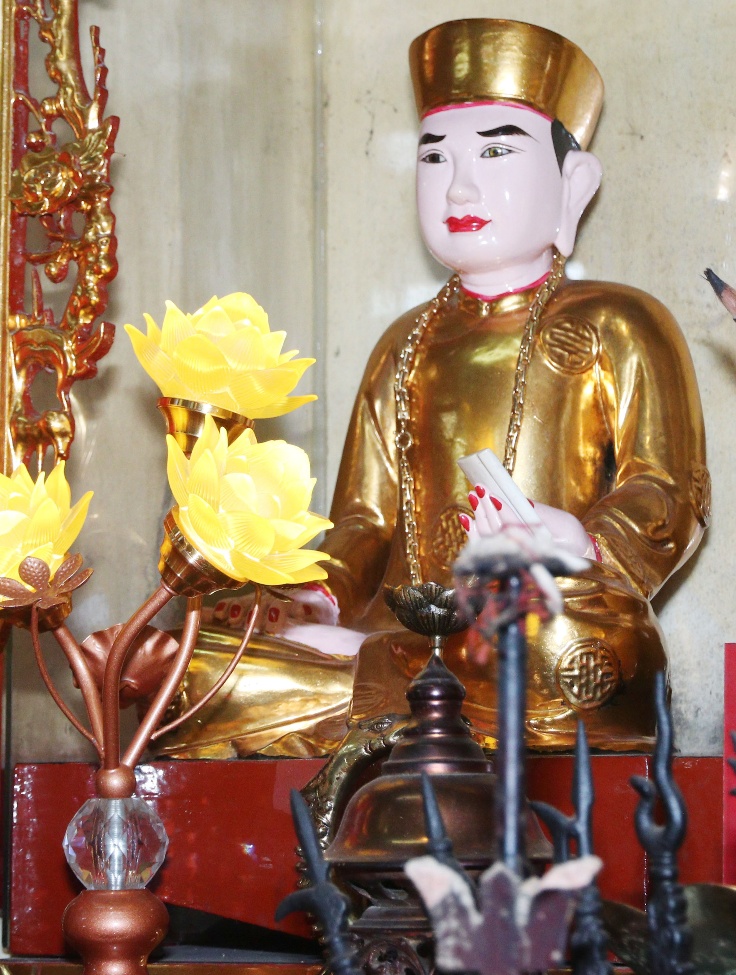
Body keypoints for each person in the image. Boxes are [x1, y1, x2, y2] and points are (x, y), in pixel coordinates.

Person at [159, 18, 708, 758]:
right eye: (435, 155)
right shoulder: (405, 344)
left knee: (565, 638)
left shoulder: (621, 320)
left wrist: (577, 539)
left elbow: (671, 490)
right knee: (199, 653)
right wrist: (316, 595)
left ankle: (367, 690)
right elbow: (362, 522)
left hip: (545, 627)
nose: (461, 184)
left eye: (495, 151)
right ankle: (379, 680)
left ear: (573, 184)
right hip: (401, 631)